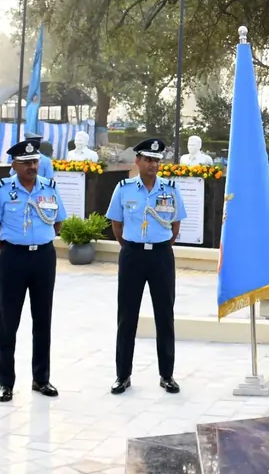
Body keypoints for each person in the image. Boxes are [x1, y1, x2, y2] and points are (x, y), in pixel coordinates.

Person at [0, 139, 67, 401]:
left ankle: (41, 378)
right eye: (27, 163)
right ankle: (6, 382)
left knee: (42, 319)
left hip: (43, 257)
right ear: (14, 165)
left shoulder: (49, 188)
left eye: (35, 162)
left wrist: (38, 240)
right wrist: (11, 248)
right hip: (14, 259)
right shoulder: (1, 190)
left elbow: (58, 224)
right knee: (9, 321)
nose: (33, 167)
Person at [107, 138, 182, 394]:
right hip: (132, 256)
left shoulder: (170, 189)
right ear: (137, 161)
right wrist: (131, 246)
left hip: (161, 256)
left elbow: (175, 226)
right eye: (148, 159)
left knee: (165, 315)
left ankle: (167, 375)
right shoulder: (123, 188)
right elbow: (116, 224)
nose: (153, 165)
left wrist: (159, 245)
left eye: (157, 160)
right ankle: (123, 375)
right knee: (127, 316)